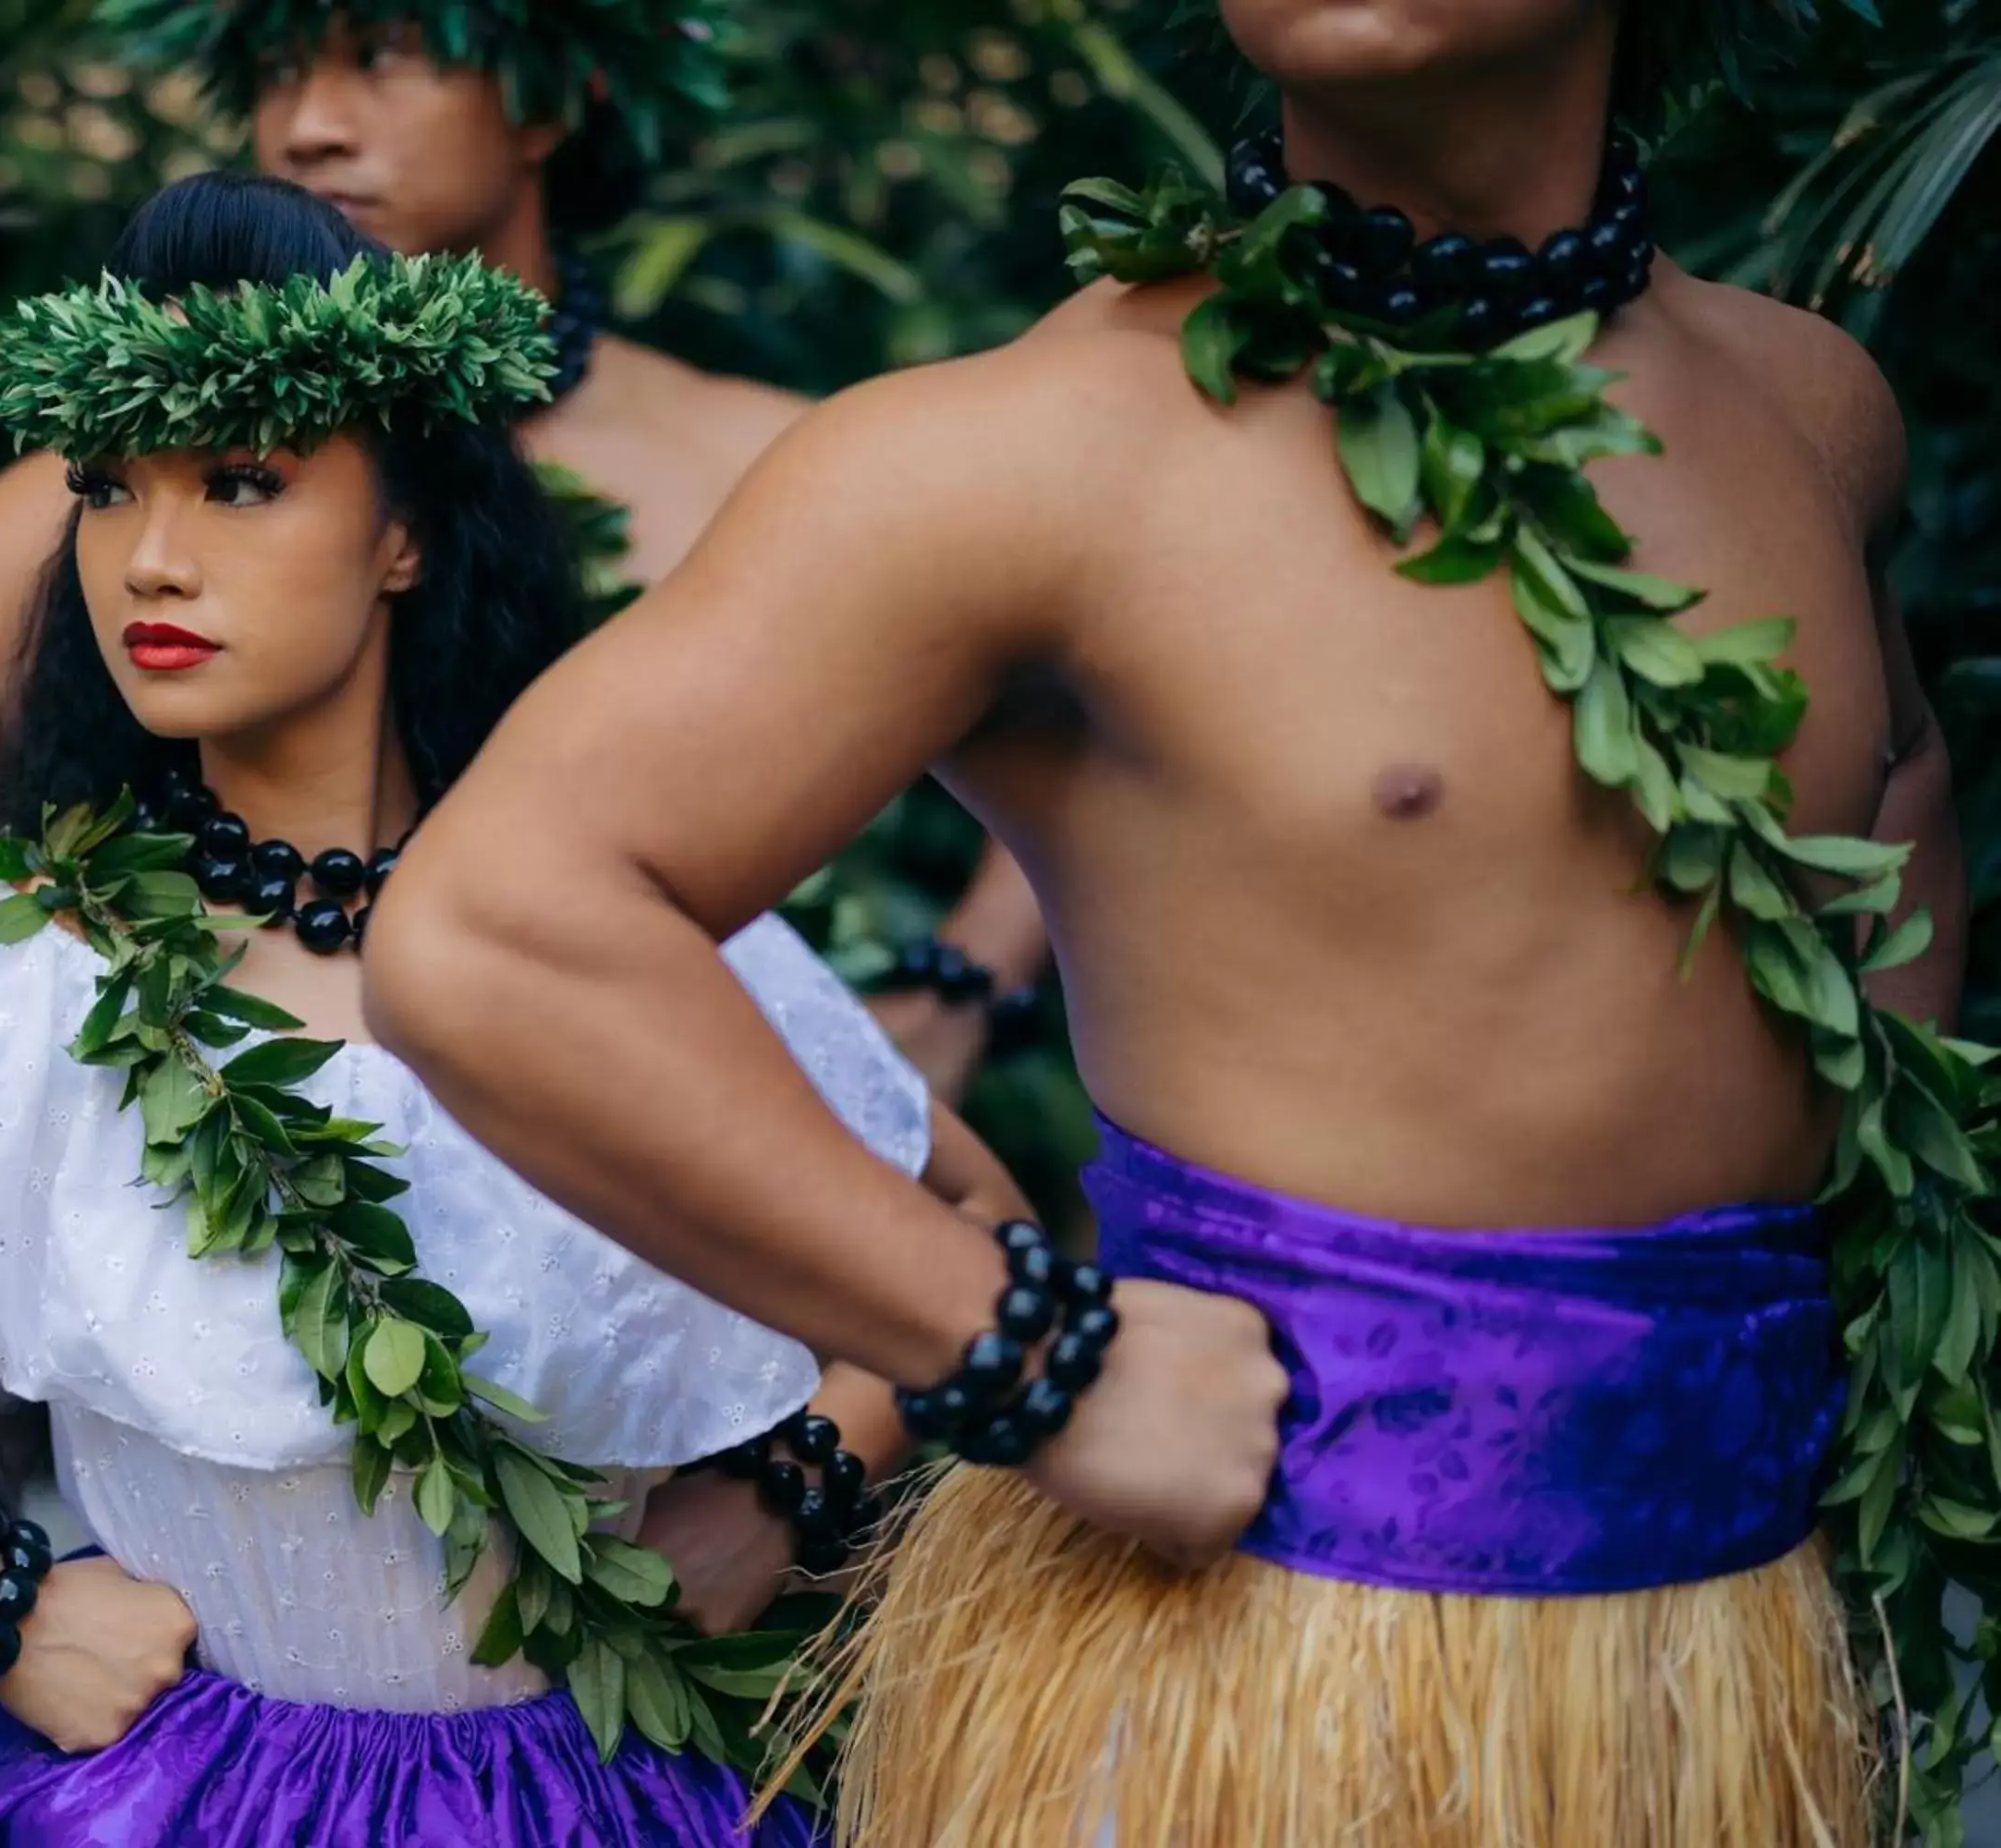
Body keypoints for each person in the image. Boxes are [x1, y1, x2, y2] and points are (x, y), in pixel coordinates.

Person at [361, 3, 1973, 1842]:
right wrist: (1021, 1352)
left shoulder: (1808, 409)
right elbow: (499, 930)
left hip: (1723, 1663)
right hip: (1255, 1692)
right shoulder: (1036, 458)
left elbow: (1896, 773)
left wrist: (1868, 1291)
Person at [0, 173, 1026, 1846]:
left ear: (404, 533)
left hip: (598, 1792)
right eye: (106, 489)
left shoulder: (612, 935)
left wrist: (785, 1488)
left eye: (241, 484)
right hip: (167, 1797)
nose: (151, 557)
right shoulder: (12, 960)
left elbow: (969, 1222)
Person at [0, 0, 1043, 1106]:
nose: (310, 127)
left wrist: (968, 988)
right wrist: (90, 1103)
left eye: (380, 55)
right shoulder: (140, 491)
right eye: (276, 67)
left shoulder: (763, 462)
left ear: (548, 99)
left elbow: (1085, 706)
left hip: (722, 1221)